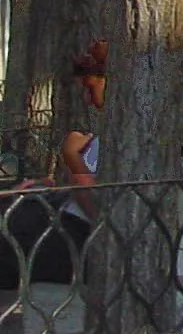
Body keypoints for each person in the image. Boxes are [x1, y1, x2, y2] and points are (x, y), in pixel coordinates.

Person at [0, 41, 106, 289]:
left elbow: (99, 207)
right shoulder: (107, 131)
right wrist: (47, 187)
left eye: (92, 89)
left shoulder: (129, 136)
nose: (89, 100)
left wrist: (72, 157)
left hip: (77, 238)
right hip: (60, 214)